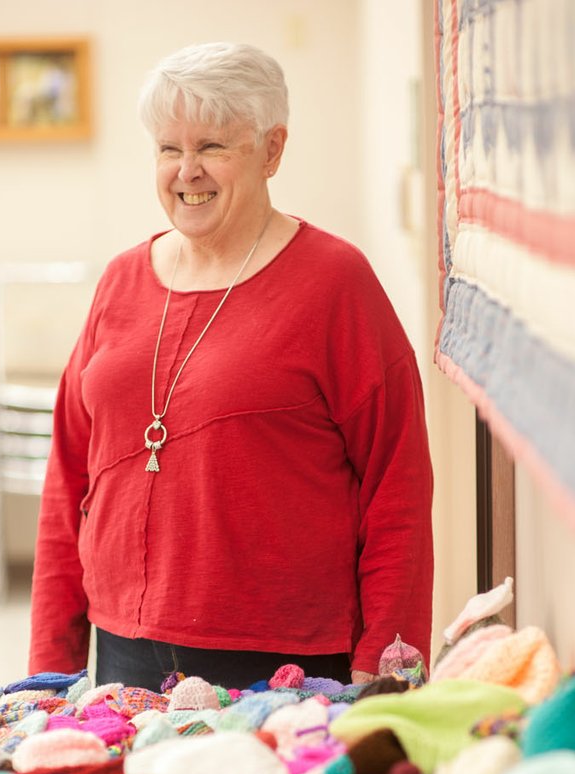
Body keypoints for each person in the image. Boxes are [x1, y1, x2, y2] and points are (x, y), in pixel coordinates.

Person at [28, 41, 434, 693]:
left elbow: (398, 485)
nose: (187, 171)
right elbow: (67, 479)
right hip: (124, 656)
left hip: (280, 665)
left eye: (213, 147)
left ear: (272, 150)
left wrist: (386, 672)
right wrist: (49, 669)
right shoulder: (120, 282)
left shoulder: (335, 283)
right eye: (168, 149)